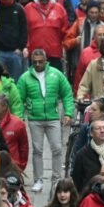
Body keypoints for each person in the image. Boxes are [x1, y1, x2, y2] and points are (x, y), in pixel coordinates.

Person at [18, 48, 75, 193]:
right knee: (37, 149)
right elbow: (19, 99)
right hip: (34, 118)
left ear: (46, 60)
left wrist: (68, 113)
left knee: (57, 148)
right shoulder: (25, 77)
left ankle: (56, 180)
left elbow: (67, 93)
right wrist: (19, 118)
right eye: (35, 62)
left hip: (53, 117)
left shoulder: (56, 75)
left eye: (40, 61)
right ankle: (38, 179)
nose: (37, 64)